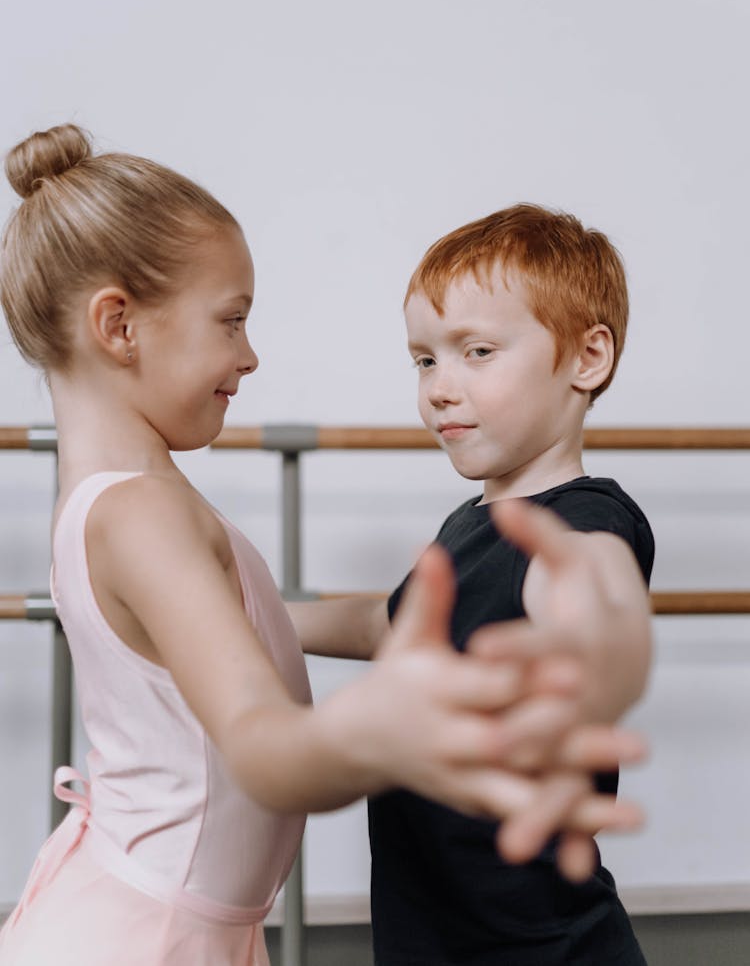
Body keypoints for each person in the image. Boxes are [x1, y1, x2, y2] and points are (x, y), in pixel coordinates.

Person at [0, 132, 642, 966]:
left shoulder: (117, 504)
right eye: (231, 320)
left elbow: (442, 610)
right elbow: (262, 739)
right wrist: (386, 729)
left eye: (475, 352)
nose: (250, 352)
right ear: (118, 325)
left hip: (191, 920)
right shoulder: (140, 514)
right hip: (149, 934)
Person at [290, 204, 653, 964]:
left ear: (588, 357)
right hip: (434, 935)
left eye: (477, 351)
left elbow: (589, 588)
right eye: (424, 360)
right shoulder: (469, 521)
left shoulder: (583, 519)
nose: (439, 388)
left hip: (540, 949)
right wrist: (258, 613)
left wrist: (589, 636)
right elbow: (392, 624)